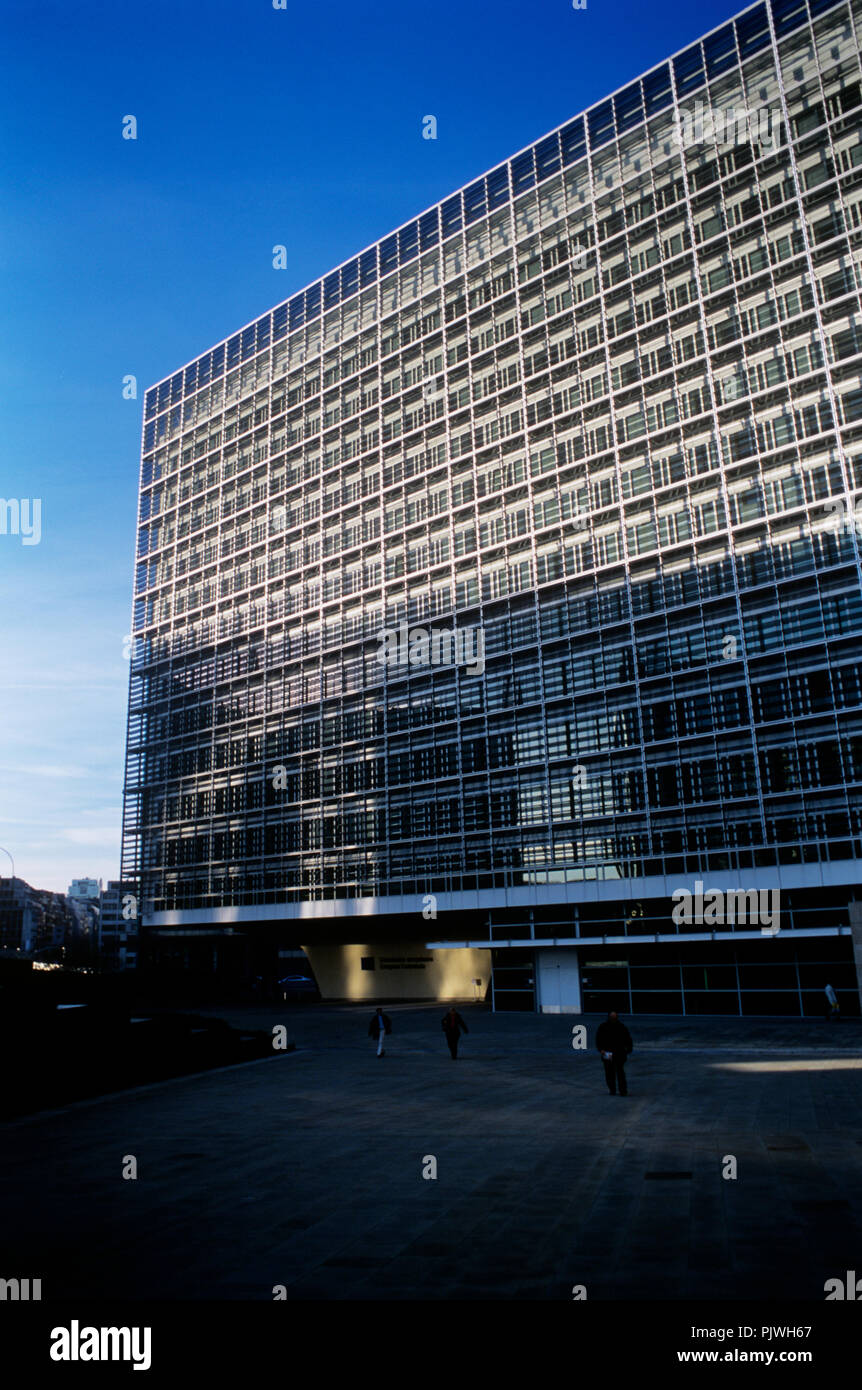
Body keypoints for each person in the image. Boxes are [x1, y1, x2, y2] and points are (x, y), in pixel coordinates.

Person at [595, 1010, 633, 1095]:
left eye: (614, 1017)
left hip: (619, 1052)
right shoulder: (603, 1027)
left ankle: (622, 1090)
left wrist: (628, 1049)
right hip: (608, 1053)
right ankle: (613, 1089)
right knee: (610, 1072)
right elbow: (599, 1039)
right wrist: (601, 1049)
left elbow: (628, 1039)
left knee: (619, 1072)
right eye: (612, 1017)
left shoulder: (621, 1027)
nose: (613, 1018)